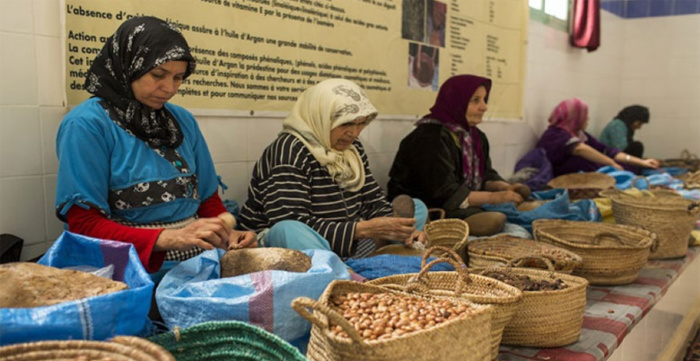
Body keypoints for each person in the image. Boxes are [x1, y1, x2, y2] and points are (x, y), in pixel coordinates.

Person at [55, 16, 257, 281]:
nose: (169, 88)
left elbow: (208, 200)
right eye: (158, 75)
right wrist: (167, 238)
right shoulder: (87, 125)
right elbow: (84, 225)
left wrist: (228, 234)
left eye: (178, 78)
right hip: (129, 273)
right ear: (128, 66)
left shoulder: (181, 121)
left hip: (198, 264)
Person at [238, 78, 428, 258]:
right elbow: (291, 220)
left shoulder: (352, 148)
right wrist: (363, 230)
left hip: (341, 237)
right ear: (321, 117)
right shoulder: (289, 150)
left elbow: (372, 200)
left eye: (361, 123)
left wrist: (402, 229)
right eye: (346, 123)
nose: (354, 133)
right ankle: (344, 275)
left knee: (417, 207)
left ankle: (375, 255)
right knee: (288, 228)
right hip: (284, 242)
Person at [387, 74, 530, 237]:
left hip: (454, 204)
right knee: (503, 222)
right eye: (475, 100)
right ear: (456, 102)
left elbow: (485, 173)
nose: (484, 107)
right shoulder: (430, 138)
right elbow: (445, 193)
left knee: (515, 214)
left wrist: (503, 187)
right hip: (429, 209)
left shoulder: (475, 136)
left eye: (484, 100)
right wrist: (494, 198)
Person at [536, 98, 659, 177]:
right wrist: (611, 163)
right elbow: (579, 149)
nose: (588, 119)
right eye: (585, 116)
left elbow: (608, 151)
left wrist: (642, 162)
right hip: (567, 176)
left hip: (589, 170)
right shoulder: (555, 134)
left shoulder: (580, 135)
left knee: (631, 167)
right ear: (575, 118)